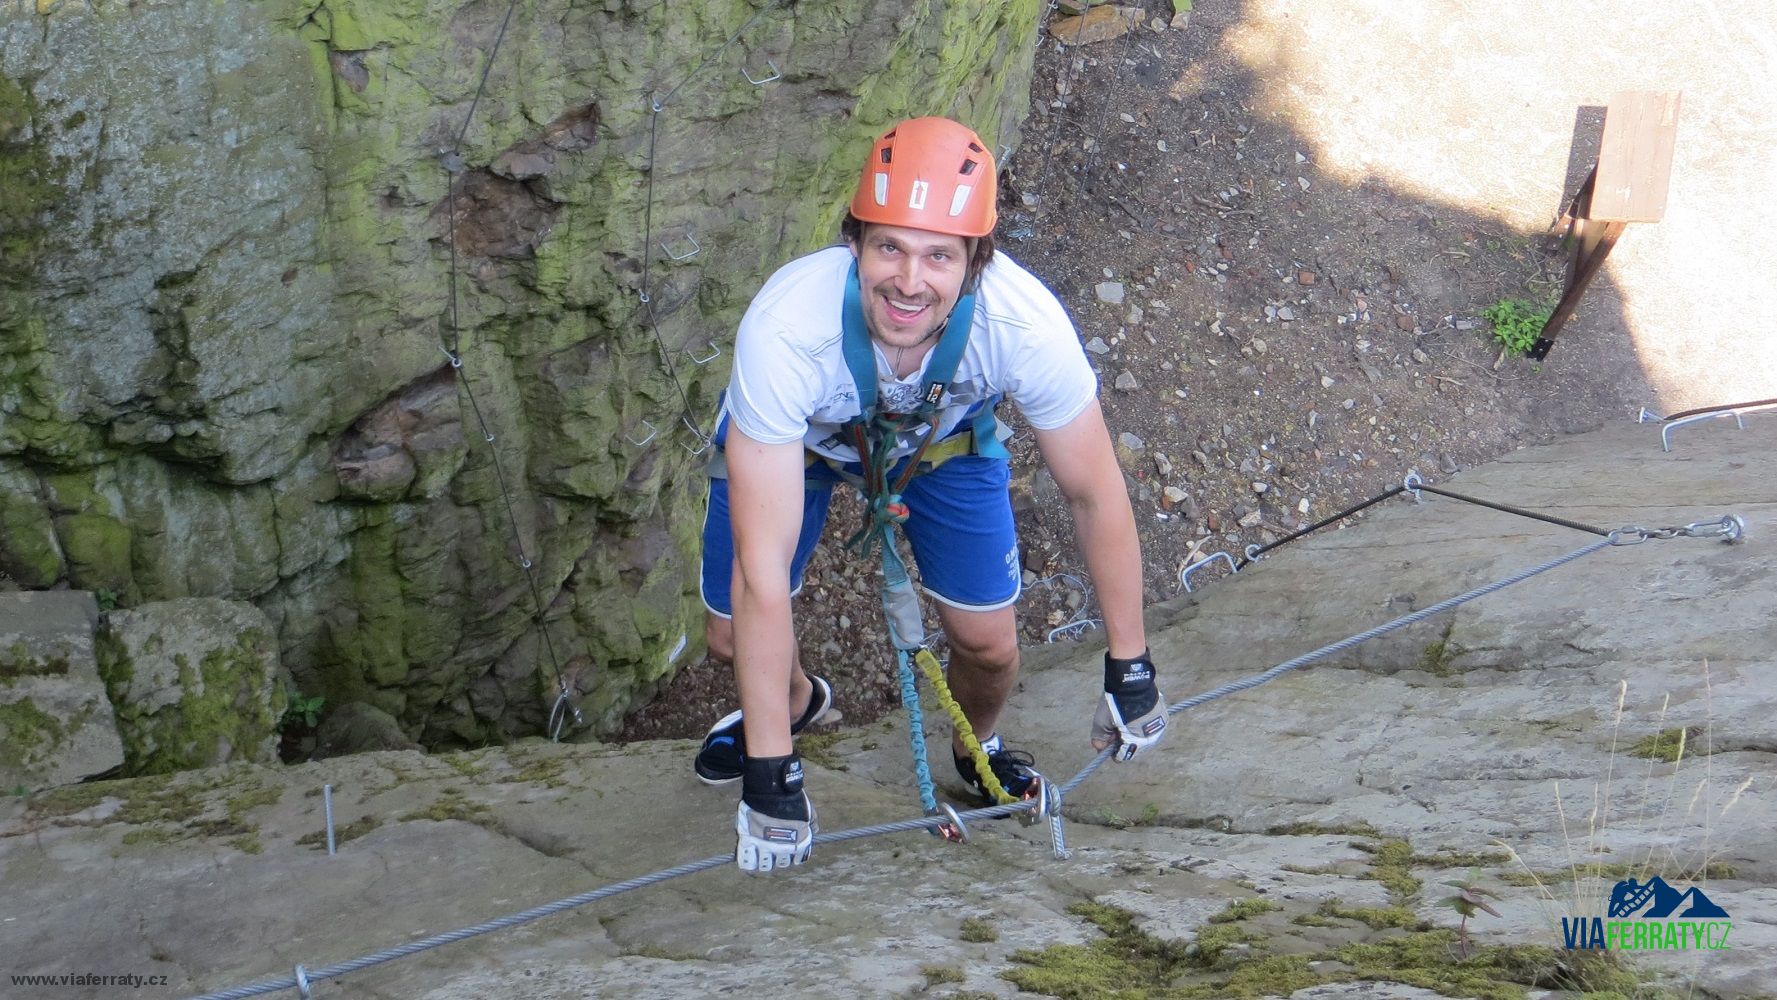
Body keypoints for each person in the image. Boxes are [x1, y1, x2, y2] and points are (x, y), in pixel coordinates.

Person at [694, 116, 1167, 872]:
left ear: (976, 262)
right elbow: (762, 566)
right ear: (853, 243)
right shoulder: (787, 329)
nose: (909, 281)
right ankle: (791, 701)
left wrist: (1131, 667)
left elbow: (1092, 491)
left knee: (988, 645)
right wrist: (771, 775)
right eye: (889, 247)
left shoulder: (1022, 324)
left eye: (938, 257)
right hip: (800, 446)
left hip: (940, 444)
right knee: (731, 633)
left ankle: (974, 745)